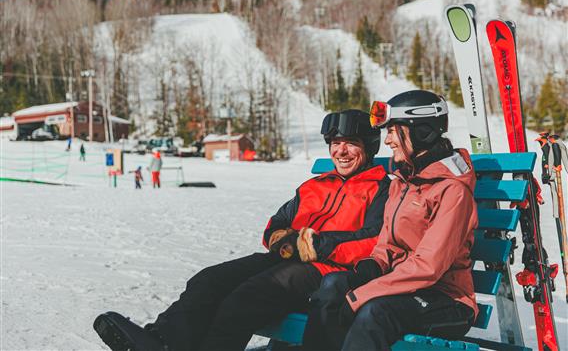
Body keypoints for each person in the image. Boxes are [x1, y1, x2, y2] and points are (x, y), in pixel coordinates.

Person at [92, 109, 390, 351]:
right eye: (335, 143)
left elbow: (375, 239)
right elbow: (275, 225)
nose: (341, 151)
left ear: (368, 146)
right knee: (208, 280)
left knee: (245, 299)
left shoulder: (381, 189)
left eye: (351, 143)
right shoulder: (314, 185)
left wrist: (316, 244)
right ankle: (163, 341)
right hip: (288, 259)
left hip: (328, 272)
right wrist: (284, 241)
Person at [303, 90, 478, 351]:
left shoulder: (453, 192)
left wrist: (364, 293)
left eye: (393, 132)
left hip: (446, 298)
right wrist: (372, 266)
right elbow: (386, 243)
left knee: (374, 312)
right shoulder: (403, 182)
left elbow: (428, 267)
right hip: (403, 285)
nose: (387, 141)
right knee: (333, 286)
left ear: (422, 132)